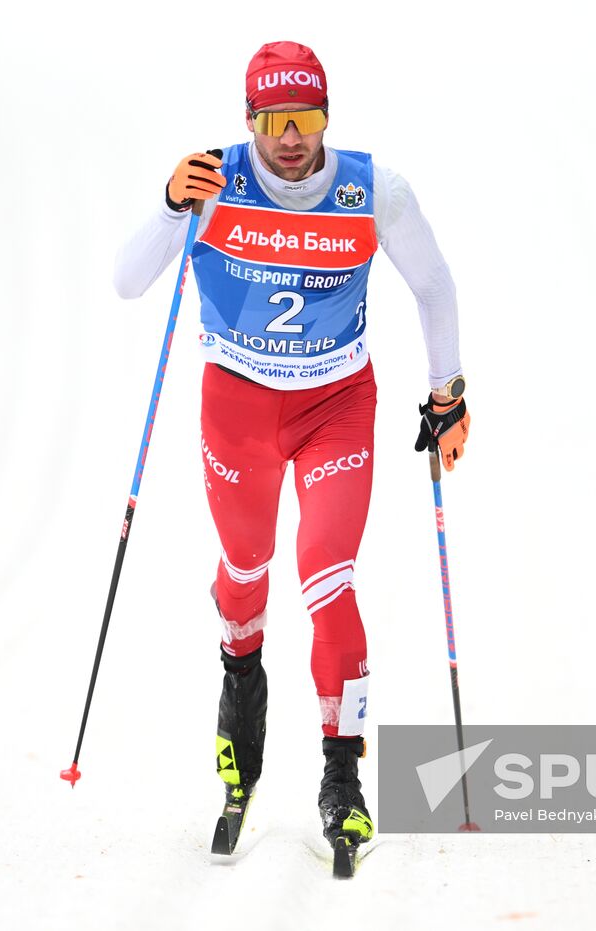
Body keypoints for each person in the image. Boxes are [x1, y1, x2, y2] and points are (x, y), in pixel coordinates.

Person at [112, 40, 470, 853]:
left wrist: (449, 391)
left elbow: (434, 283)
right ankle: (243, 682)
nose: (290, 139)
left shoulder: (373, 189)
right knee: (244, 573)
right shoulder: (212, 182)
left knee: (327, 575)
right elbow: (128, 281)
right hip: (236, 408)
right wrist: (173, 205)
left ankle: (341, 773)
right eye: (273, 120)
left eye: (305, 119)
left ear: (326, 118)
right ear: (249, 120)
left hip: (335, 407)